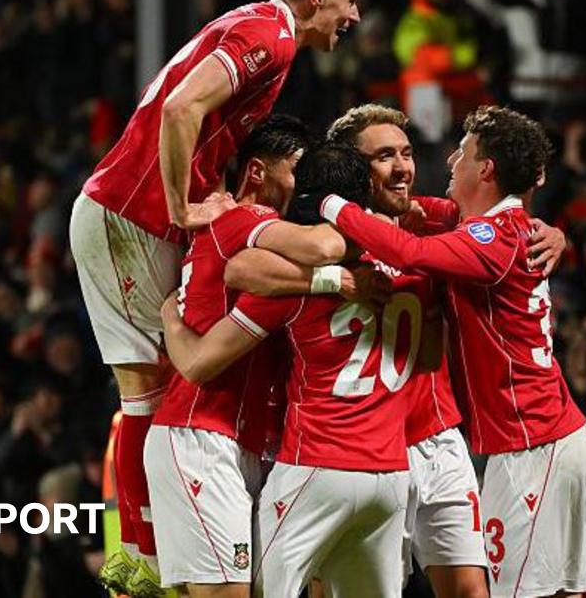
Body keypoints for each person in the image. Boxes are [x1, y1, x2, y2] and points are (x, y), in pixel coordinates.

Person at [67, 0, 367, 591]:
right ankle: (142, 558)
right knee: (147, 390)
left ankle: (149, 553)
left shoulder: (248, 25)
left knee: (155, 382)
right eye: (349, 2)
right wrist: (184, 205)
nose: (354, 17)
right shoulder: (273, 36)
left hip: (129, 211)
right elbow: (181, 108)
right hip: (132, 210)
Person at [317, 105, 586, 597]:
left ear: (485, 168)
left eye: (464, 152)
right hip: (548, 436)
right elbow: (423, 214)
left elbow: (408, 251)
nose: (449, 159)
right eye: (387, 155)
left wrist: (328, 201)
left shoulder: (487, 236)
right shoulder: (490, 224)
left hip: (531, 443)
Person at [161, 144, 432, 596]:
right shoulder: (414, 267)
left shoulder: (295, 282)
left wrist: (170, 318)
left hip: (317, 464)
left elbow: (211, 333)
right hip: (391, 475)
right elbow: (429, 358)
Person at [143, 117, 354, 598]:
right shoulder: (247, 219)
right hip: (202, 434)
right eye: (300, 170)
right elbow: (324, 246)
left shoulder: (235, 233)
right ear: (257, 172)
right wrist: (354, 220)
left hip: (244, 439)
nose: (310, 185)